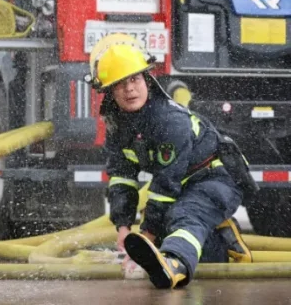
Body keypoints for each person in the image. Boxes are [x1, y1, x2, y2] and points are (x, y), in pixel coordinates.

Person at [87, 33, 253, 290]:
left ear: (147, 78)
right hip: (183, 187)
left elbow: (166, 186)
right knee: (174, 231)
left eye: (134, 79)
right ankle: (221, 239)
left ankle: (174, 266)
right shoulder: (117, 126)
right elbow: (122, 176)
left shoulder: (168, 121)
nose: (130, 88)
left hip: (215, 178)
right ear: (109, 92)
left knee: (183, 216)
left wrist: (145, 235)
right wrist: (123, 227)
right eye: (120, 83)